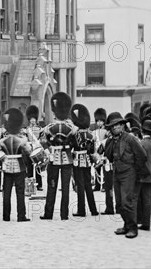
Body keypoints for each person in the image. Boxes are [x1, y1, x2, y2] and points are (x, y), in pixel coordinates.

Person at [104, 112, 148, 239]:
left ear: (122, 126)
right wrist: (109, 141)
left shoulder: (130, 139)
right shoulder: (112, 140)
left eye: (117, 125)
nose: (114, 128)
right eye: (112, 126)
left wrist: (136, 171)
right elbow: (109, 156)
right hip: (116, 173)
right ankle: (126, 225)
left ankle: (133, 228)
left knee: (126, 202)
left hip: (129, 173)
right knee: (118, 203)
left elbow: (142, 155)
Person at [40, 93, 75, 221]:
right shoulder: (72, 128)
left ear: (55, 112)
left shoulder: (48, 128)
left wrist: (48, 152)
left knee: (52, 186)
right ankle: (64, 214)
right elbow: (75, 144)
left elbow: (43, 142)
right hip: (67, 159)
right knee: (65, 189)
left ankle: (48, 213)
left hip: (53, 159)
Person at [0, 108, 31, 222]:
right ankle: (21, 216)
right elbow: (29, 152)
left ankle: (6, 216)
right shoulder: (22, 140)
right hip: (19, 166)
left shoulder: (2, 141)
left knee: (6, 192)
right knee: (20, 192)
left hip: (7, 166)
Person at [70, 103, 98, 217]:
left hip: (77, 160)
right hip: (87, 160)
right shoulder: (91, 135)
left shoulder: (75, 135)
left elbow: (71, 147)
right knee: (88, 185)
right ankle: (93, 210)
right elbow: (92, 151)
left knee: (80, 186)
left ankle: (81, 210)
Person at [136, 118, 151, 231]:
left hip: (141, 176)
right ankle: (146, 223)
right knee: (147, 200)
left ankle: (139, 220)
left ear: (142, 131)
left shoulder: (140, 144)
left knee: (138, 199)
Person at [25, 105, 43, 191]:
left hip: (37, 149)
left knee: (38, 167)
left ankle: (39, 185)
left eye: (34, 118)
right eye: (31, 119)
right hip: (29, 149)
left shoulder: (40, 129)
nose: (32, 120)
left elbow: (42, 139)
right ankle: (30, 186)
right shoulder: (26, 129)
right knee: (29, 168)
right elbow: (25, 140)